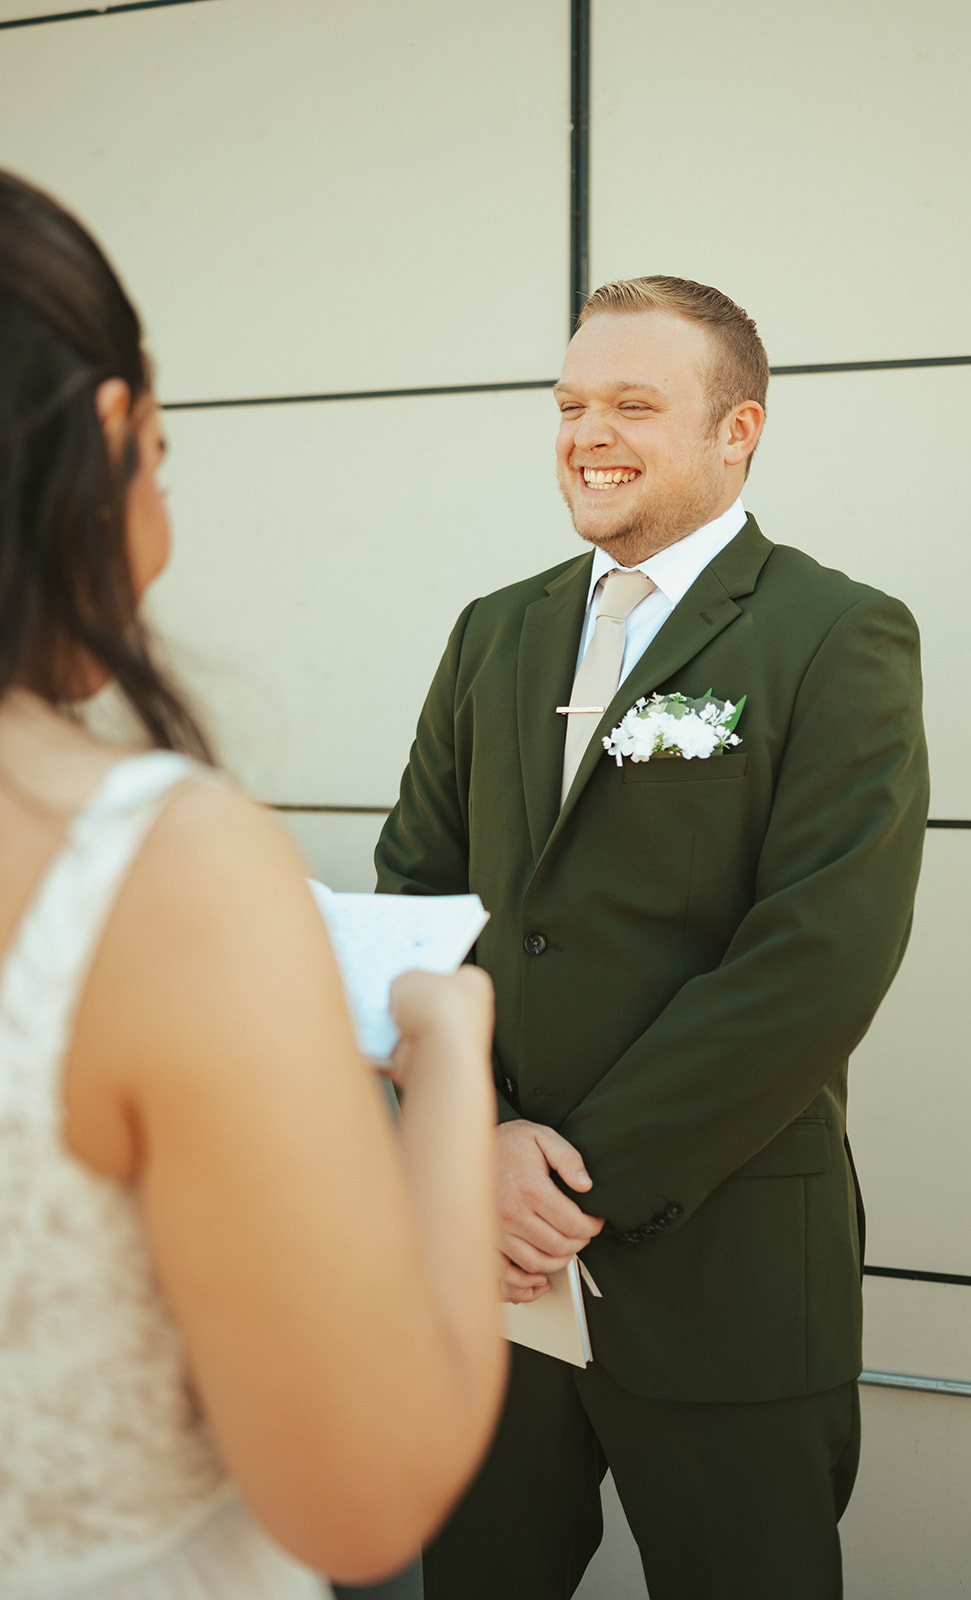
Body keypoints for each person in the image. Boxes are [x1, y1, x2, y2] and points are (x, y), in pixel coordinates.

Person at [374, 276, 929, 1600]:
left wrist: (567, 1183)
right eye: (570, 405)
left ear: (739, 431)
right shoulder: (494, 632)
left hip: (720, 1267)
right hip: (488, 1273)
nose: (588, 434)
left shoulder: (833, 635)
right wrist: (478, 1139)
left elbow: (817, 959)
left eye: (633, 404)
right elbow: (415, 899)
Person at [0, 168, 505, 1599]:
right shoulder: (159, 866)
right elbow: (363, 1496)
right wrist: (452, 1060)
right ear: (112, 437)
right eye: (166, 456)